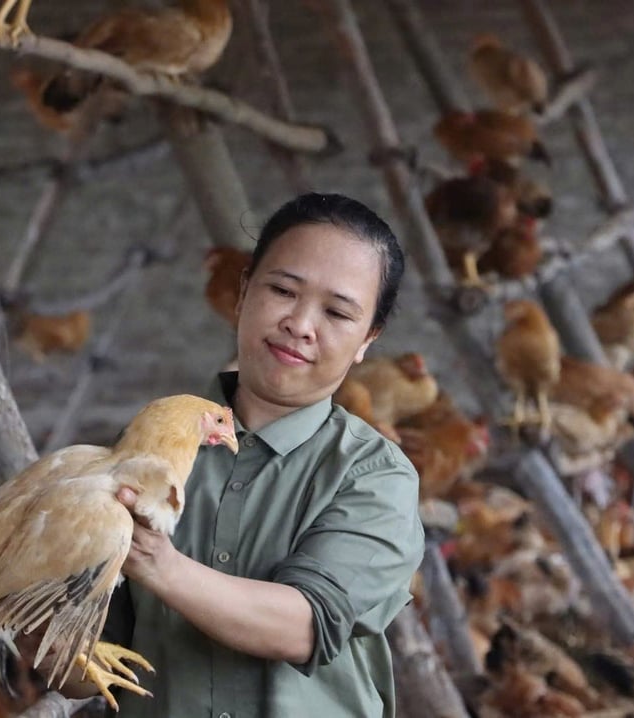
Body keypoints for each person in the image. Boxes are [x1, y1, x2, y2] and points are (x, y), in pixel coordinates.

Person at [101, 192, 425, 717]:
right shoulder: (145, 446)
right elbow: (93, 658)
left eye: (338, 312)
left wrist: (156, 562)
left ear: (368, 339)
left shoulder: (375, 477)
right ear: (243, 292)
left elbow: (304, 625)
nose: (300, 324)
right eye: (282, 290)